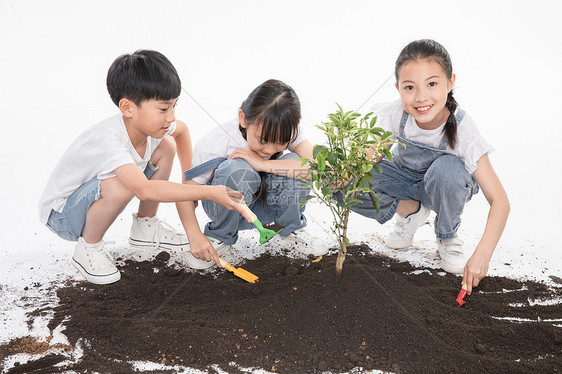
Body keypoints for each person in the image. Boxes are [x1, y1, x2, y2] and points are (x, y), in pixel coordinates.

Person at [39, 50, 251, 285]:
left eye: (174, 106)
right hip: (63, 216)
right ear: (128, 108)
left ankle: (144, 226)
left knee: (165, 146)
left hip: (90, 202)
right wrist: (209, 191)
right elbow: (144, 189)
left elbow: (181, 131)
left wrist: (188, 179)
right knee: (120, 185)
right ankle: (88, 248)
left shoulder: (151, 127)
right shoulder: (109, 141)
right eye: (163, 109)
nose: (170, 117)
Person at [352, 39, 509, 293]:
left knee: (446, 170)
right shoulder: (394, 115)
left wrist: (482, 255)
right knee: (346, 183)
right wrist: (340, 176)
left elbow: (500, 201)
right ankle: (410, 211)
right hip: (405, 183)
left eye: (432, 84)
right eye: (410, 87)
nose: (421, 97)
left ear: (450, 82)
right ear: (397, 88)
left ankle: (447, 236)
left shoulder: (463, 129)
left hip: (443, 188)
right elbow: (366, 163)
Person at [178, 79, 327, 269]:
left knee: (299, 164)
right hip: (228, 208)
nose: (269, 148)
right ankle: (221, 237)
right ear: (243, 118)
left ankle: (287, 230)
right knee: (237, 170)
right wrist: (195, 236)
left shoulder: (286, 129)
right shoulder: (216, 143)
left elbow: (317, 168)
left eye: (280, 142)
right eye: (263, 140)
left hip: (268, 204)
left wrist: (263, 164)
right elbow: (185, 194)